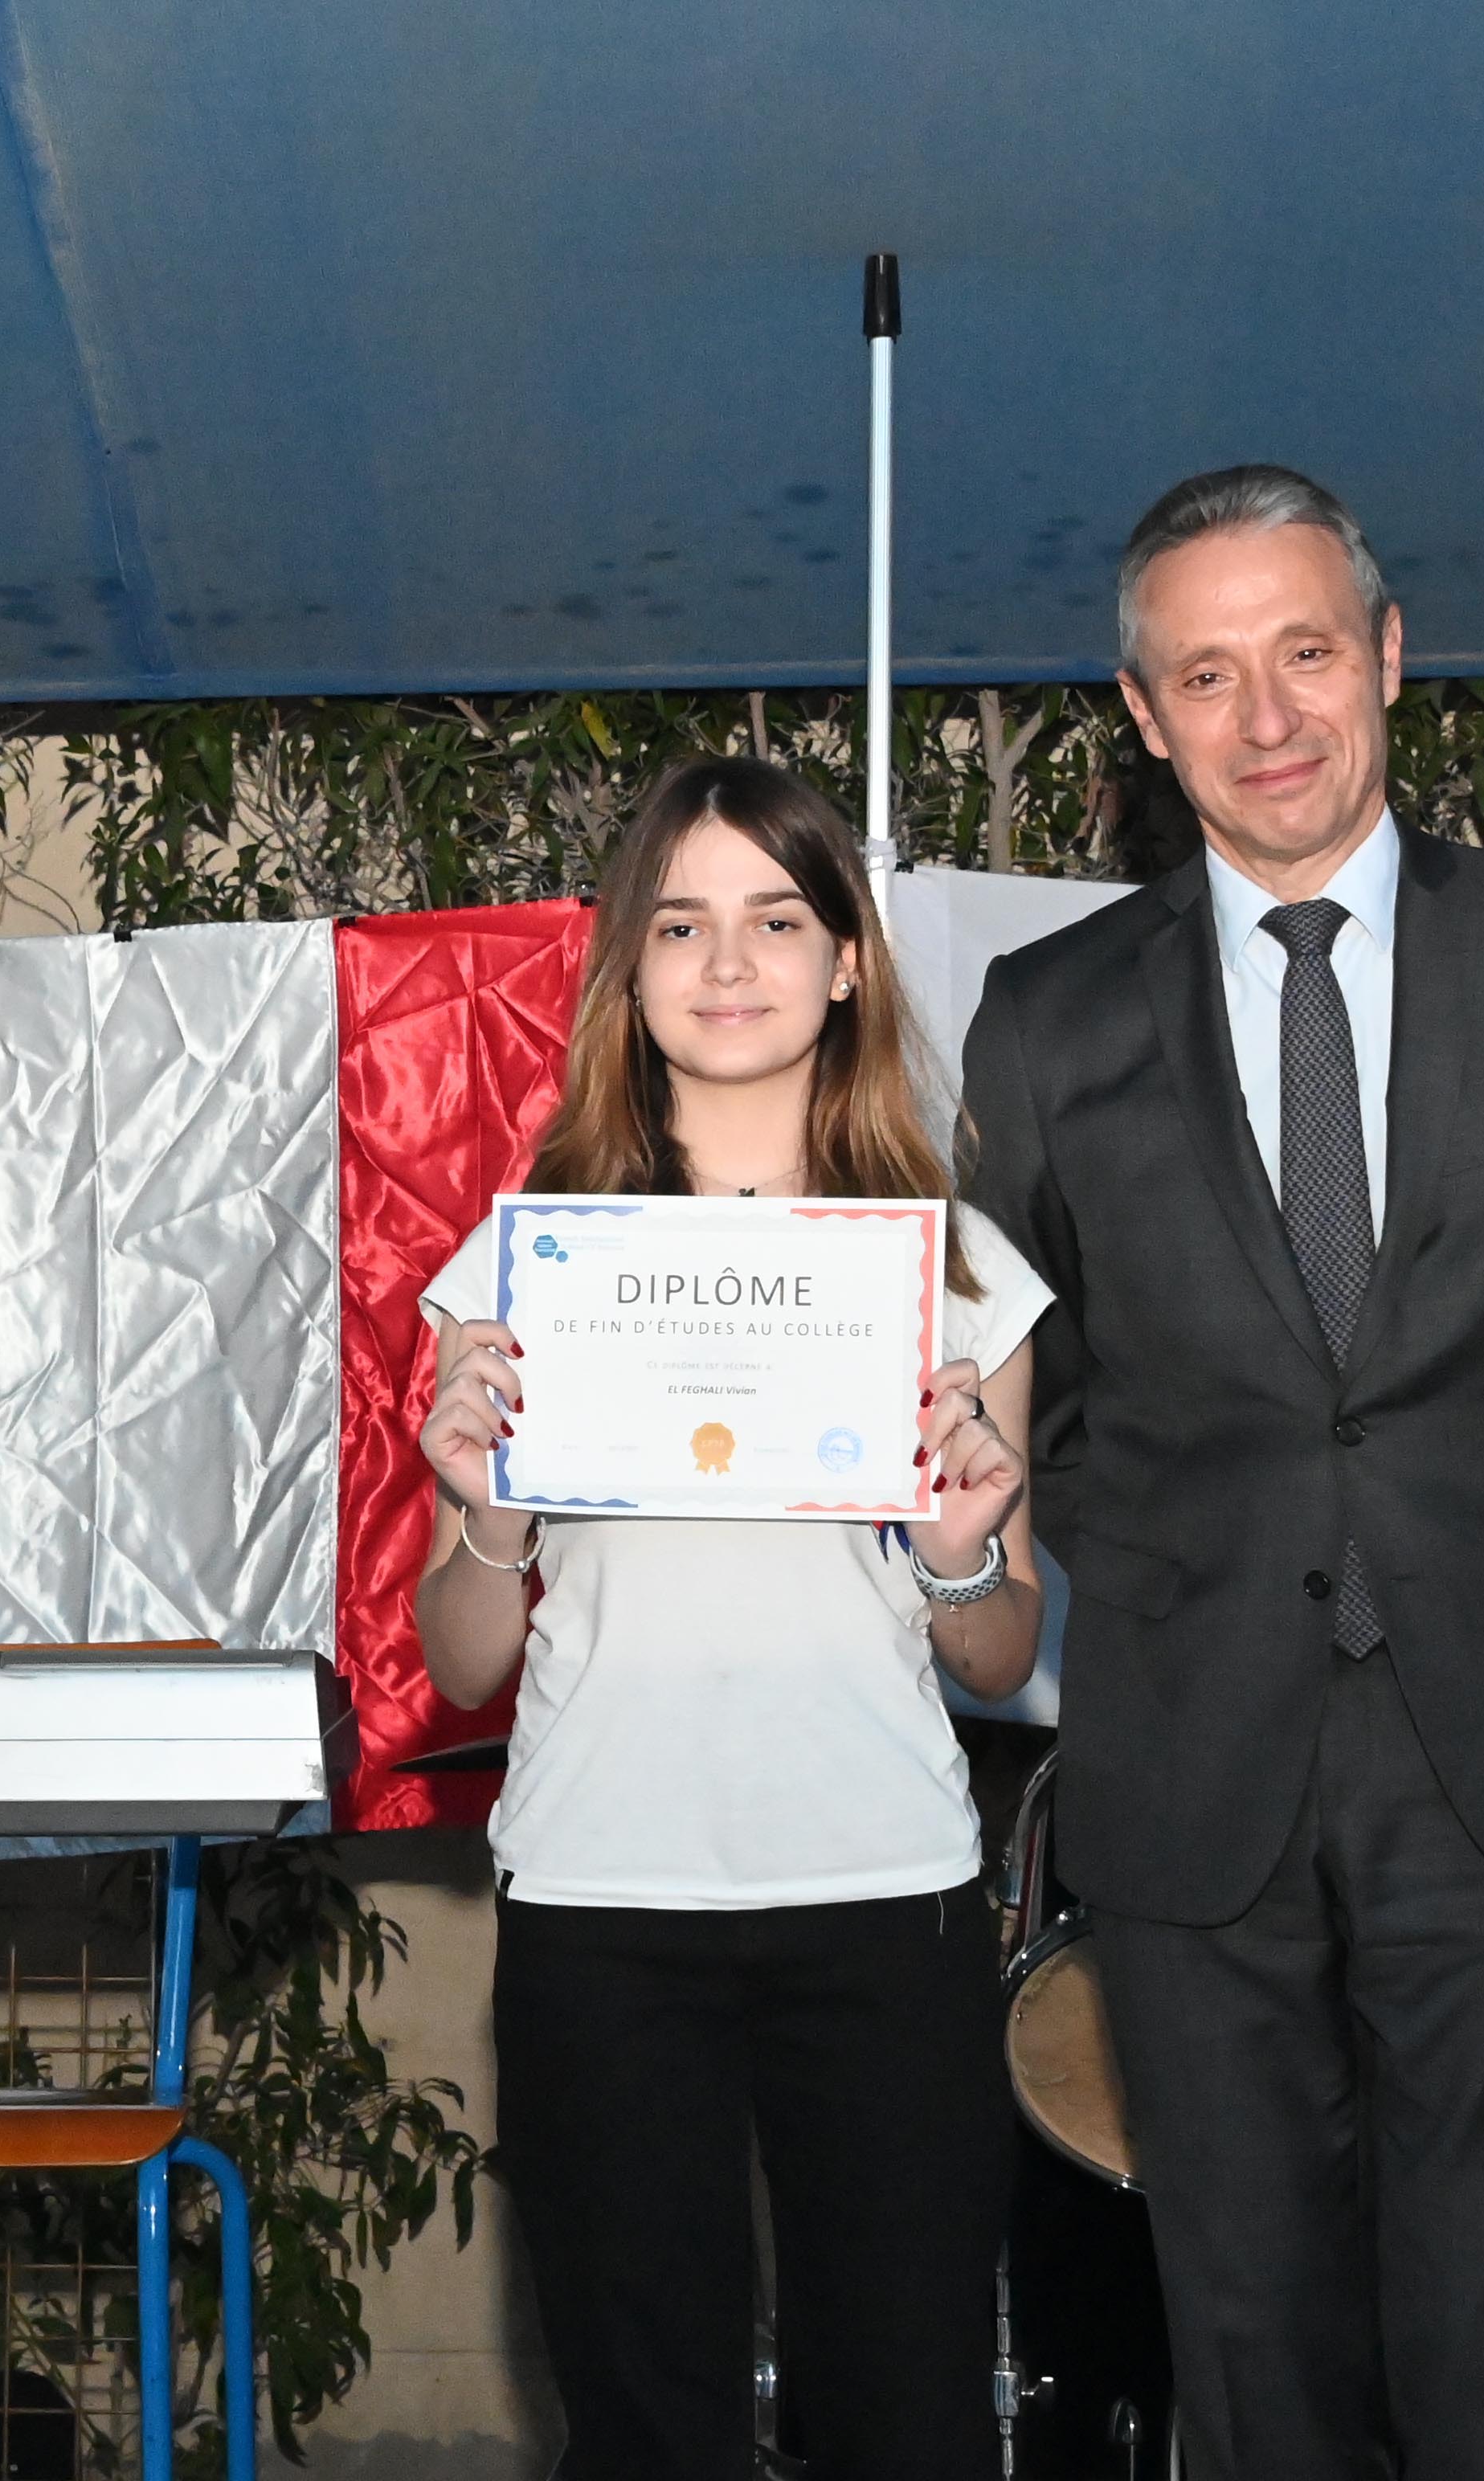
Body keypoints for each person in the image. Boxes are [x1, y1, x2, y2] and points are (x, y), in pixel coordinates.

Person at [959, 467, 1484, 2480]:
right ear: (1142, 717)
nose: (1267, 717)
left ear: (1389, 656)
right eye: (1205, 675)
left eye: (1306, 651)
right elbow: (1037, 1410)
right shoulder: (1045, 1020)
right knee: (1248, 2361)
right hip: (1194, 1769)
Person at [414, 755, 1046, 2481]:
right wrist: (491, 1510)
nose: (729, 961)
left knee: (907, 2423)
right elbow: (462, 1658)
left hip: (886, 1893)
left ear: (846, 961)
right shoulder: (524, 1269)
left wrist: (962, 1551)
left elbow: (999, 1650)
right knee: (643, 2429)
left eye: (775, 918)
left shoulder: (958, 1271)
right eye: (681, 924)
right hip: (601, 1897)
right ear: (629, 971)